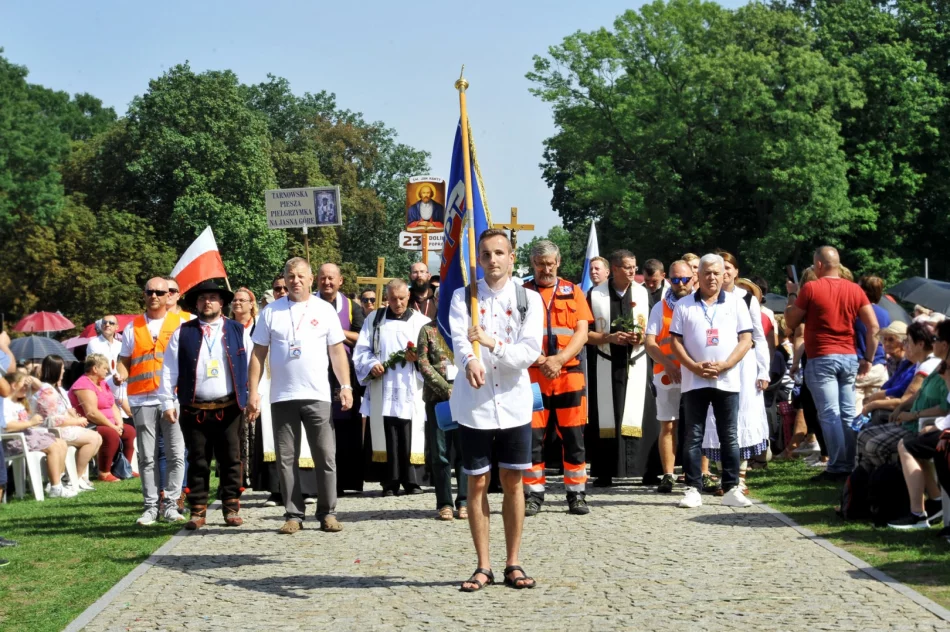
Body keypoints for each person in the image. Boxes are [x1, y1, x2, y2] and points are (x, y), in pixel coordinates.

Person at [449, 228, 543, 592]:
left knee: (513, 481)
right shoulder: (463, 295)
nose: (493, 261)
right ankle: (483, 565)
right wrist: (470, 359)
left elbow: (528, 352)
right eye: (486, 254)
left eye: (499, 253)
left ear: (511, 257)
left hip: (515, 404)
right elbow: (458, 337)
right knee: (477, 482)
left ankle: (513, 562)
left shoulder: (528, 299)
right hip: (475, 405)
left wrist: (494, 345)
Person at [247, 257, 353, 534]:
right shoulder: (271, 312)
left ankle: (328, 512)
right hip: (282, 395)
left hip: (317, 394)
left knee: (325, 456)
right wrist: (253, 392)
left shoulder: (324, 310)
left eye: (301, 276)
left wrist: (346, 385)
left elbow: (337, 351)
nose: (295, 281)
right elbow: (258, 354)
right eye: (290, 276)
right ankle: (293, 513)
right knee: (286, 458)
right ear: (285, 278)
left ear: (311, 279)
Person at [159, 279, 252, 529]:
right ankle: (197, 510)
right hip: (194, 408)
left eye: (212, 297)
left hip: (230, 407)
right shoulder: (183, 332)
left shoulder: (237, 330)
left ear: (222, 302)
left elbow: (252, 366)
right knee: (198, 461)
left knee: (231, 459)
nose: (207, 301)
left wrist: (254, 396)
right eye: (202, 298)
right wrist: (167, 401)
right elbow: (169, 370)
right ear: (196, 303)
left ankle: (231, 507)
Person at [784, 246, 880, 481]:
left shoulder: (811, 288)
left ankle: (838, 467)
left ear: (818, 265)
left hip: (821, 357)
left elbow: (791, 321)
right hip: (848, 356)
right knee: (847, 413)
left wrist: (793, 294)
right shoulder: (855, 289)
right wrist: (868, 357)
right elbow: (874, 327)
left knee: (829, 414)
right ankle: (849, 463)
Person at [669, 253, 754, 509]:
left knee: (729, 435)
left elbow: (746, 339)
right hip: (694, 380)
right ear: (699, 275)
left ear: (723, 274)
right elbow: (675, 342)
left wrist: (727, 364)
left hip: (727, 380)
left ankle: (731, 487)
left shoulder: (737, 303)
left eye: (717, 272)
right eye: (707, 272)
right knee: (692, 435)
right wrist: (693, 366)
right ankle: (693, 487)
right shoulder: (684, 305)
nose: (712, 277)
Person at [520, 240, 593, 516]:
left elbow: (582, 332)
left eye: (550, 263)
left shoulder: (573, 291)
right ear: (533, 264)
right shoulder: (521, 293)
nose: (546, 269)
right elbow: (513, 333)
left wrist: (559, 359)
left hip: (569, 375)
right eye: (540, 264)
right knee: (532, 437)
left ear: (558, 262)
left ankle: (576, 494)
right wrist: (541, 360)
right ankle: (534, 494)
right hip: (534, 376)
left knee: (574, 437)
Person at [116, 277, 187, 525]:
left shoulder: (183, 322)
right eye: (150, 292)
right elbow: (124, 360)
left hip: (173, 398)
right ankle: (150, 507)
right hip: (141, 398)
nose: (155, 296)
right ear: (144, 295)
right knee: (147, 457)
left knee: (176, 454)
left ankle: (171, 505)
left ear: (170, 295)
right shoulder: (132, 327)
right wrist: (120, 374)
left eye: (160, 292)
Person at [700, 255, 770, 495]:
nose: (724, 273)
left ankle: (739, 476)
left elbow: (758, 337)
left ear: (734, 272)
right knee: (715, 417)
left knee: (738, 419)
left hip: (743, 366)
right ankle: (723, 476)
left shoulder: (746, 298)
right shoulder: (705, 300)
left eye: (727, 268)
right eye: (721, 269)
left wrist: (763, 370)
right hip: (714, 365)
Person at [354, 279, 430, 495]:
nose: (398, 303)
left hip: (411, 385)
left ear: (409, 297)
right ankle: (389, 480)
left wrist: (418, 357)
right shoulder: (374, 320)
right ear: (387, 298)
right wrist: (372, 364)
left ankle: (412, 479)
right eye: (393, 299)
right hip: (383, 385)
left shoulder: (422, 322)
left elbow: (434, 354)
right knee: (386, 429)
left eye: (402, 298)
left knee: (410, 429)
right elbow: (362, 350)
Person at [586, 249, 655, 486]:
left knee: (642, 413)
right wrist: (609, 337)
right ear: (614, 269)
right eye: (627, 267)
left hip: (637, 361)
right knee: (608, 415)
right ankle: (605, 471)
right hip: (606, 363)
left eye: (634, 266)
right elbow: (584, 333)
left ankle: (646, 469)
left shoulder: (643, 294)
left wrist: (641, 338)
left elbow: (653, 332)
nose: (633, 271)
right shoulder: (595, 295)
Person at [856, 321, 950, 472]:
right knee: (864, 435)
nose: (905, 345)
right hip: (913, 421)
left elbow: (944, 409)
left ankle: (893, 481)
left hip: (921, 425)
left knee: (876, 443)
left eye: (907, 341)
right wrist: (900, 408)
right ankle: (864, 481)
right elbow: (911, 392)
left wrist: (911, 414)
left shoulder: (933, 367)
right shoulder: (935, 366)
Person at [316, 263, 366, 494]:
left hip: (344, 373)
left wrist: (335, 330)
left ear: (340, 281)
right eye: (323, 278)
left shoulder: (351, 307)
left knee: (346, 427)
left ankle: (347, 480)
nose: (327, 282)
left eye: (331, 279)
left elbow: (362, 337)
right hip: (316, 371)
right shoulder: (309, 304)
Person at [645, 260, 694, 493]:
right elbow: (650, 343)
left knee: (697, 424)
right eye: (676, 279)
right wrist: (667, 364)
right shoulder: (660, 307)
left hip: (694, 372)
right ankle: (668, 474)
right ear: (668, 280)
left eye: (685, 279)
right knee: (668, 424)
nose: (681, 283)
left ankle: (700, 472)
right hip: (667, 373)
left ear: (693, 278)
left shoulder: (700, 304)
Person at [417, 296, 467, 520]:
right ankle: (445, 502)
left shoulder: (465, 329)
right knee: (440, 454)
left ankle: (464, 500)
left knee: (465, 452)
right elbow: (423, 364)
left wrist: (460, 390)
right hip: (438, 400)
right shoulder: (428, 330)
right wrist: (447, 389)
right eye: (439, 297)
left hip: (466, 397)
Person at [33, 355, 102, 490]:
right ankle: (74, 478)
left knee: (98, 437)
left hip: (65, 426)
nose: (64, 371)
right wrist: (76, 421)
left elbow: (67, 409)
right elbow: (52, 419)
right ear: (55, 370)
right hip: (53, 430)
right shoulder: (46, 390)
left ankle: (77, 476)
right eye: (62, 368)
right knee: (93, 439)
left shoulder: (59, 389)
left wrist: (73, 415)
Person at [3, 372, 75, 498]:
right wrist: (30, 422)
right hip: (13, 440)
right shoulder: (5, 403)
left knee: (61, 443)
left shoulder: (20, 400)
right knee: (53, 447)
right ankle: (55, 487)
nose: (27, 388)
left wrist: (29, 379)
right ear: (14, 386)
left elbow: (40, 387)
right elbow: (7, 426)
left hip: (27, 436)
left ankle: (56, 481)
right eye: (24, 385)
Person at [70, 353, 137, 482]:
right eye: (105, 368)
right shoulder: (83, 385)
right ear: (95, 369)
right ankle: (104, 472)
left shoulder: (103, 384)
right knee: (110, 434)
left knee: (129, 431)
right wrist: (113, 426)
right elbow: (92, 413)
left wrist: (120, 424)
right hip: (89, 424)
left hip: (108, 423)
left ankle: (125, 468)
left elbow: (112, 405)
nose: (108, 371)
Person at [229, 286, 258, 489]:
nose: (237, 303)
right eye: (235, 300)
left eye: (242, 300)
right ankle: (237, 477)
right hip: (232, 387)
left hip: (255, 385)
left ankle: (255, 475)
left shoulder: (258, 326)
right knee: (235, 436)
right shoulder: (226, 327)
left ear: (251, 304)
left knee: (254, 432)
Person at [854, 276, 891, 413]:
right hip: (880, 366)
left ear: (864, 292)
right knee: (874, 413)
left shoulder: (857, 312)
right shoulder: (885, 314)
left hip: (860, 366)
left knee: (854, 414)